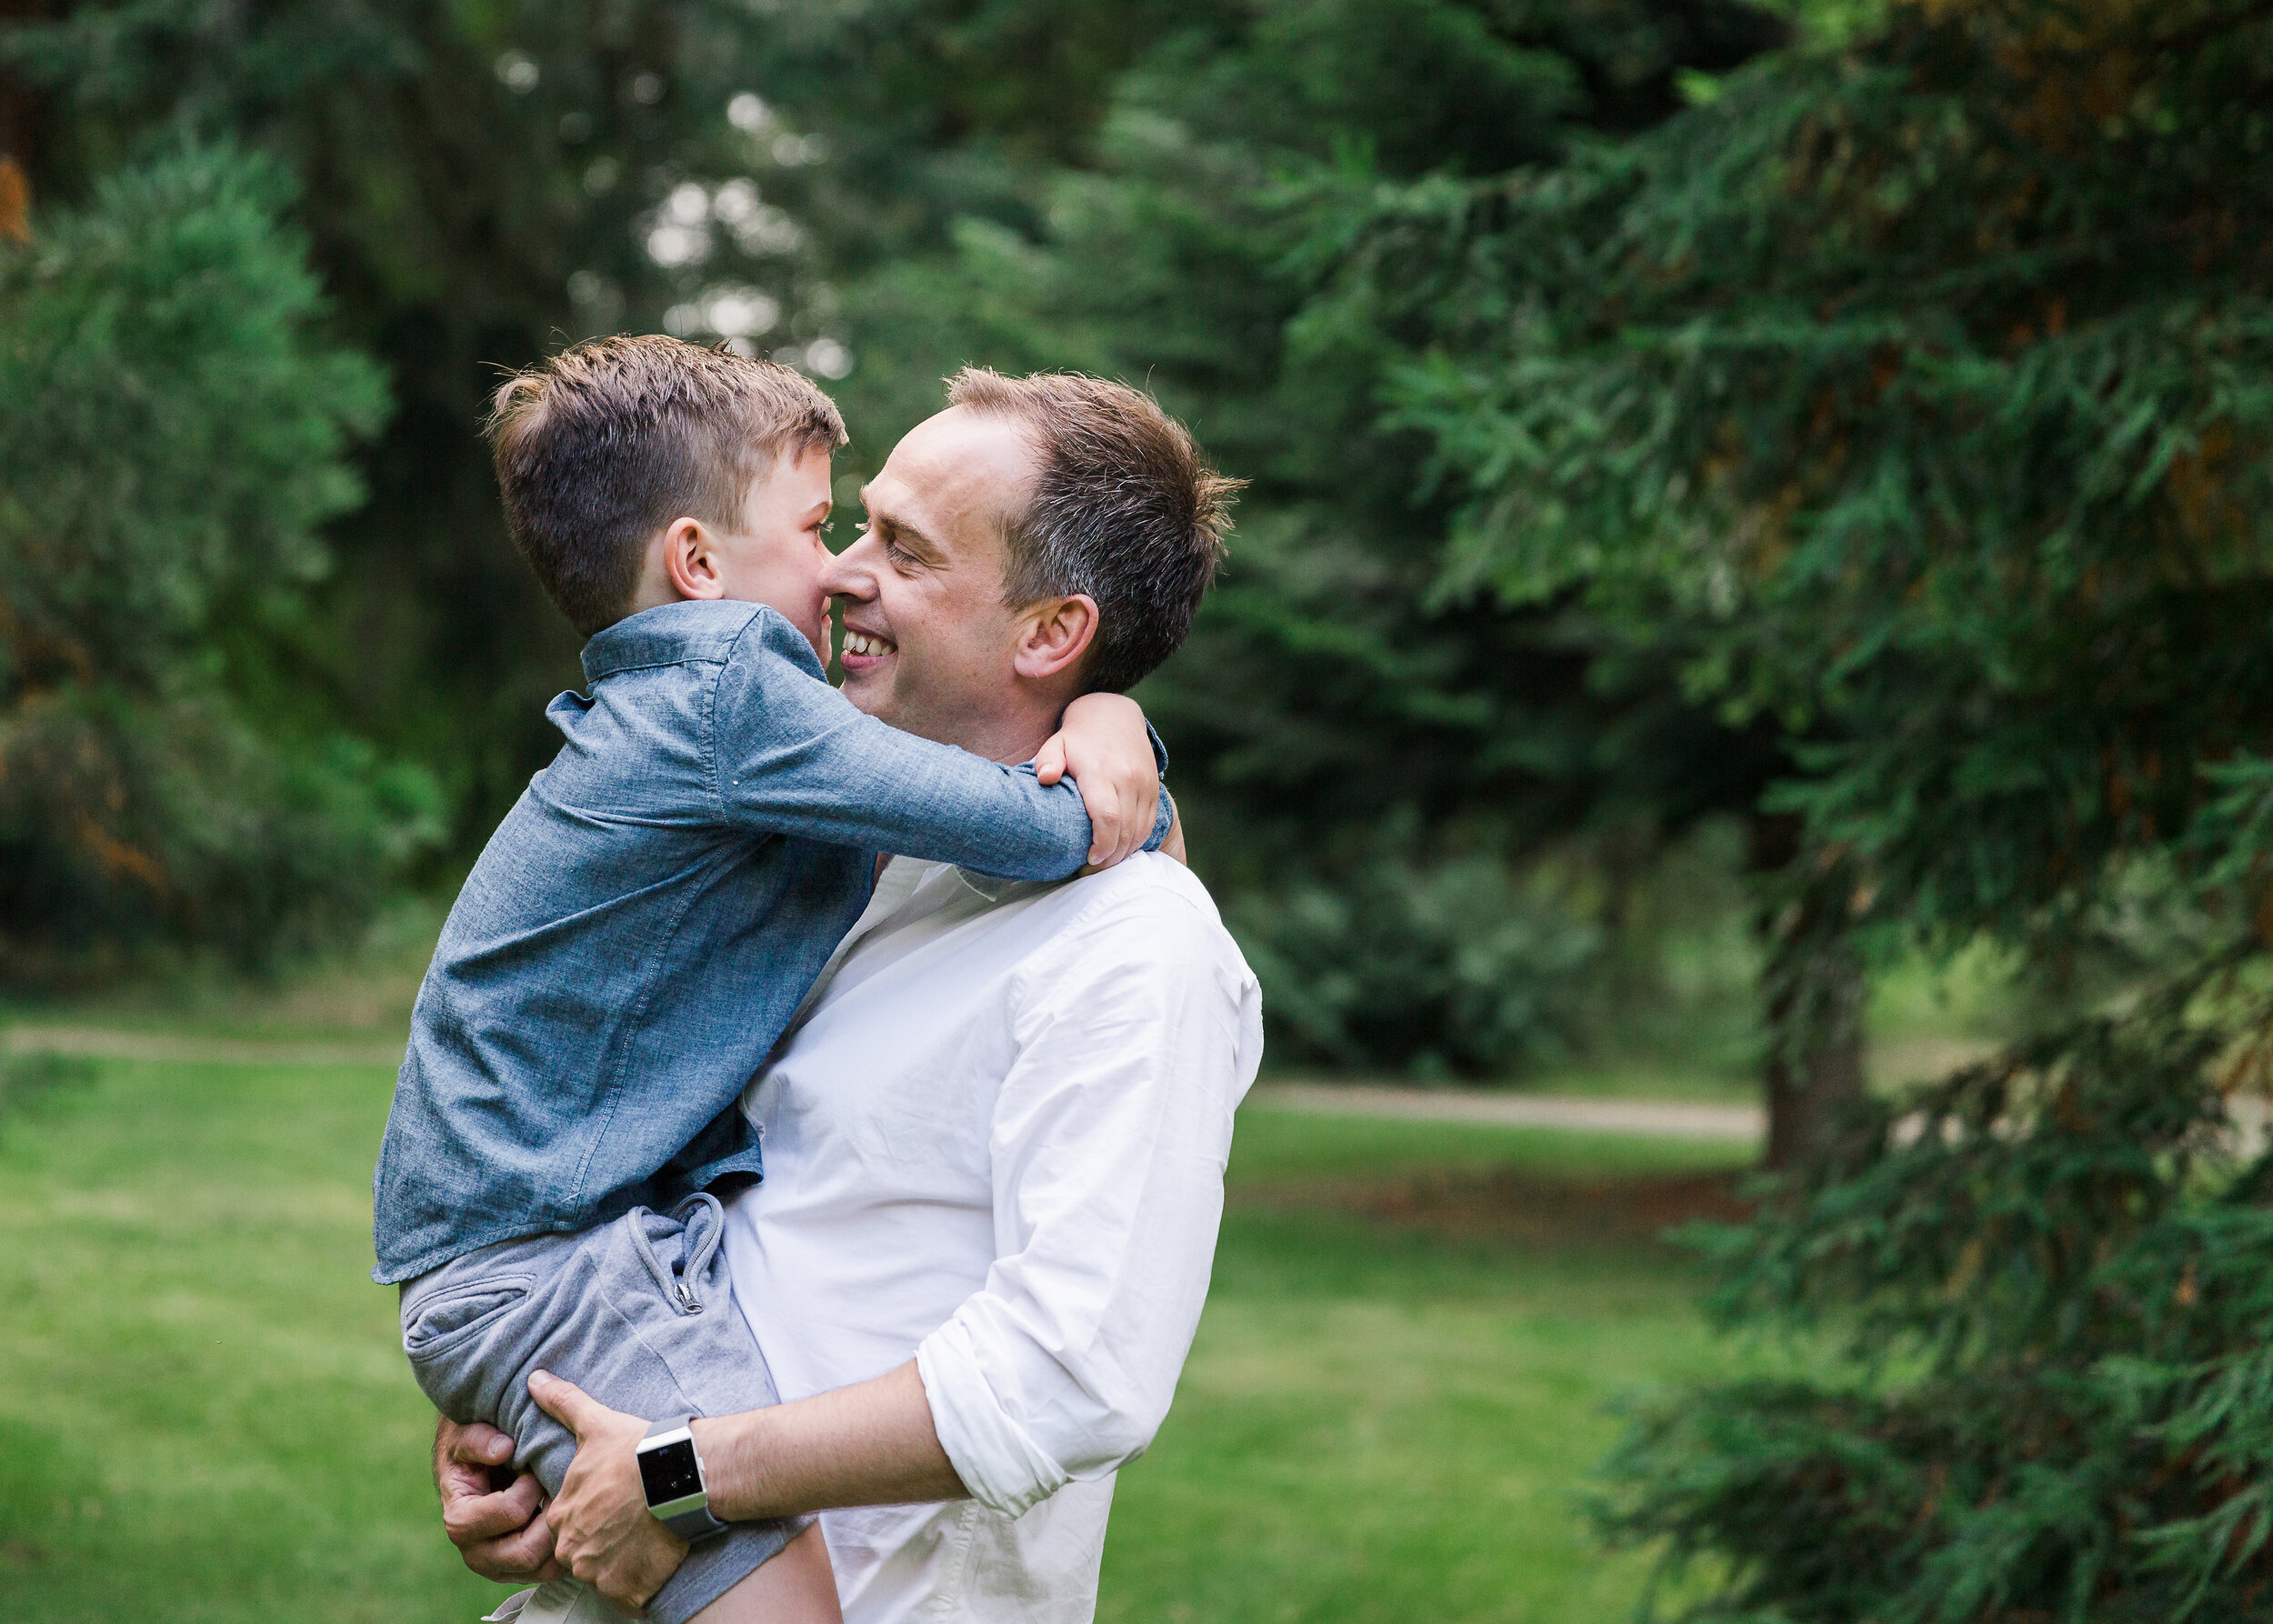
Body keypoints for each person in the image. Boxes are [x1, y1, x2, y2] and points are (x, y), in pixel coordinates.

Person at [434, 369, 1264, 1624]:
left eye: (904, 550)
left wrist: (670, 1468)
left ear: (1050, 631)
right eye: (851, 525)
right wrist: (532, 1415)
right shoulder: (825, 867)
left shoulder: (1138, 946)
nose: (838, 574)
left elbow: (1069, 1376)